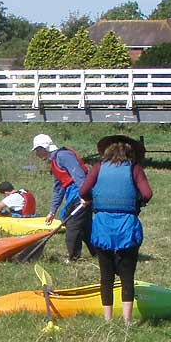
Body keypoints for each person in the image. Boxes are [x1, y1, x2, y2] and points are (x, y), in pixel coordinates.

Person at [79, 135, 153, 325]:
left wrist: (92, 197)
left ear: (106, 151)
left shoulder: (98, 168)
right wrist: (137, 200)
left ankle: (108, 319)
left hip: (103, 226)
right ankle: (127, 321)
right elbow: (147, 194)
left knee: (106, 277)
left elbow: (83, 191)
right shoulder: (135, 169)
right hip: (127, 227)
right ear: (131, 152)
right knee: (127, 276)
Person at [32, 133, 94, 262]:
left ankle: (73, 258)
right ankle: (98, 253)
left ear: (42, 148)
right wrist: (52, 211)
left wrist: (85, 195)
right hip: (76, 196)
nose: (36, 154)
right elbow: (58, 188)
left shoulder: (63, 155)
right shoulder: (54, 161)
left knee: (72, 225)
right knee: (85, 227)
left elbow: (79, 174)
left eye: (37, 151)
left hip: (80, 195)